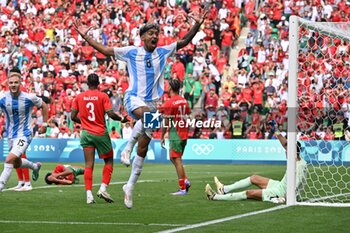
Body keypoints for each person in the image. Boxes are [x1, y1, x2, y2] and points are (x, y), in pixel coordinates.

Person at [74, 9, 208, 208]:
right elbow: (105, 50)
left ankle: (129, 187)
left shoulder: (163, 51)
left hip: (153, 102)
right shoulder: (131, 52)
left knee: (143, 149)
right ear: (143, 36)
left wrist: (196, 25)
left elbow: (184, 41)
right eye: (151, 33)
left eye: (157, 33)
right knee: (149, 117)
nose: (155, 36)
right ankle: (126, 149)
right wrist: (85, 36)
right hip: (134, 98)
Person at [205, 121, 308, 203]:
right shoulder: (295, 157)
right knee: (254, 178)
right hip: (280, 185)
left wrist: (284, 198)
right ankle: (224, 189)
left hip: (281, 193)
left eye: (287, 149)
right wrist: (276, 130)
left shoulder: (299, 167)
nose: (285, 150)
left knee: (249, 193)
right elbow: (284, 143)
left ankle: (215, 197)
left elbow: (296, 187)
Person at [71, 73, 127, 204]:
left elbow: (73, 116)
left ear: (87, 83)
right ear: (98, 84)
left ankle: (89, 196)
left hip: (86, 134)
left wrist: (84, 122)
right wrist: (122, 118)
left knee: (88, 165)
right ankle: (103, 188)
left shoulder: (79, 97)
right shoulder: (102, 96)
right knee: (109, 161)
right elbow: (111, 114)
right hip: (100, 133)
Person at [0, 68, 48, 192]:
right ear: (8, 83)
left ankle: (1, 185)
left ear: (20, 83)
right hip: (11, 135)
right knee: (16, 163)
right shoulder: (3, 98)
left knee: (9, 159)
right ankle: (34, 167)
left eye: (16, 82)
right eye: (11, 83)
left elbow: (44, 105)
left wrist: (45, 124)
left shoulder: (29, 97)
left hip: (25, 134)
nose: (13, 85)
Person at [160, 78, 191, 195]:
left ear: (170, 88)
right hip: (184, 132)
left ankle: (182, 188)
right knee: (173, 158)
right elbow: (187, 115)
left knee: (176, 159)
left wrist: (162, 135)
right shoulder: (184, 101)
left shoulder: (169, 102)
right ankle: (185, 180)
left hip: (176, 133)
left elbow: (166, 121)